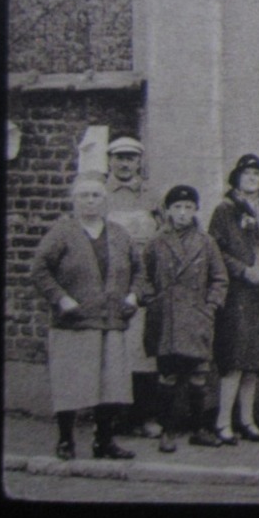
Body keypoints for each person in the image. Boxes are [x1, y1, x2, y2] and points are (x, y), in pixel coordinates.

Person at [30, 174, 147, 460]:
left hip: (111, 321)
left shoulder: (119, 234)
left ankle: (104, 442)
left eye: (96, 195)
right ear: (74, 201)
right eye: (84, 196)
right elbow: (39, 270)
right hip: (74, 322)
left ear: (105, 200)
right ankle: (66, 440)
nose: (90, 201)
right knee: (70, 381)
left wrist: (133, 295)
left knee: (111, 384)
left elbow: (139, 270)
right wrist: (62, 299)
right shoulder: (62, 233)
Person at [143, 185, 229, 452]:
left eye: (188, 208)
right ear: (168, 211)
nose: (183, 213)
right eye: (177, 208)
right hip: (166, 317)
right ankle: (167, 431)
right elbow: (142, 275)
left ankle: (200, 429)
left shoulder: (206, 242)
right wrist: (151, 300)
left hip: (196, 318)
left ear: (196, 211)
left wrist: (210, 305)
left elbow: (220, 278)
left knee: (198, 375)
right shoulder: (156, 242)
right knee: (167, 374)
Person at [209, 153, 259, 443]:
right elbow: (216, 252)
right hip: (238, 294)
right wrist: (244, 272)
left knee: (254, 362)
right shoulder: (224, 210)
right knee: (235, 361)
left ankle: (247, 420)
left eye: (257, 175)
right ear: (237, 179)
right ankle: (222, 422)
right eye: (246, 174)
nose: (252, 179)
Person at [102, 136, 162, 438]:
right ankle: (115, 417)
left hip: (144, 283)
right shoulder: (100, 195)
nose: (125, 164)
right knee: (114, 349)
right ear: (109, 160)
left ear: (140, 162)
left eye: (131, 158)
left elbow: (163, 237)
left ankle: (146, 415)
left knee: (143, 350)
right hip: (110, 283)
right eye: (119, 158)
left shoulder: (152, 196)